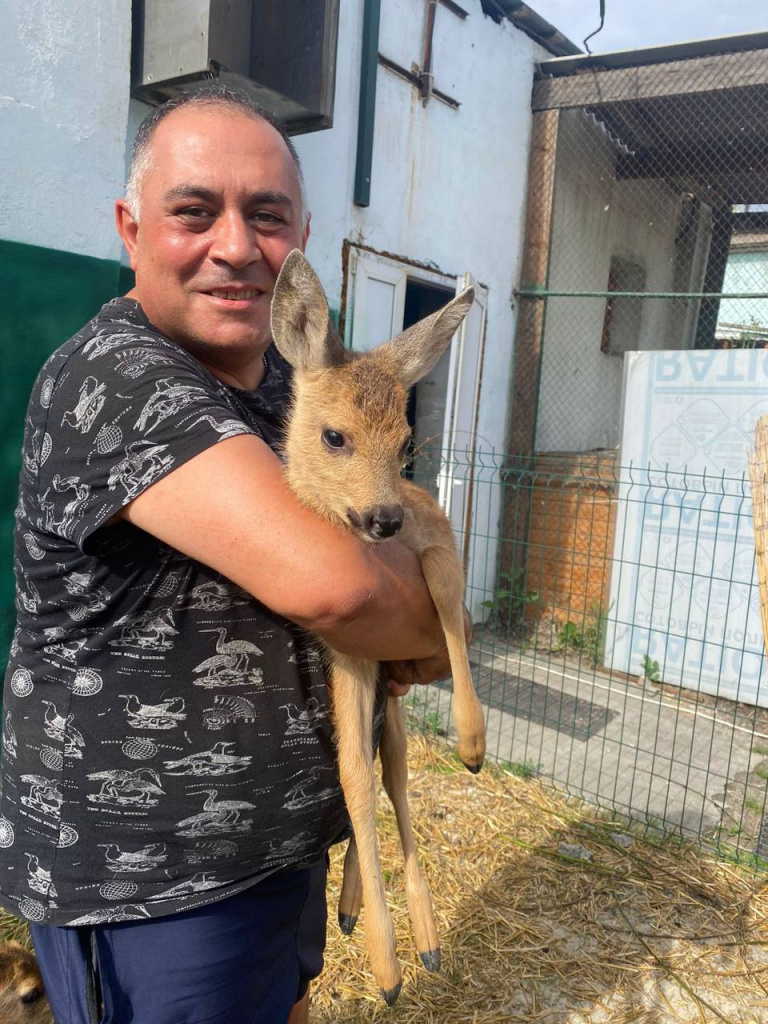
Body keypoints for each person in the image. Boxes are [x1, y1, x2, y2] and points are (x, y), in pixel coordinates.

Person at [0, 86, 456, 1024]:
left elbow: (392, 530)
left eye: (268, 215)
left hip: (277, 849)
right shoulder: (121, 378)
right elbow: (340, 587)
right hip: (155, 884)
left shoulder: (300, 384)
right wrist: (440, 620)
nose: (238, 246)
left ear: (302, 238)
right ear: (131, 228)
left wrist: (408, 599)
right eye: (195, 211)